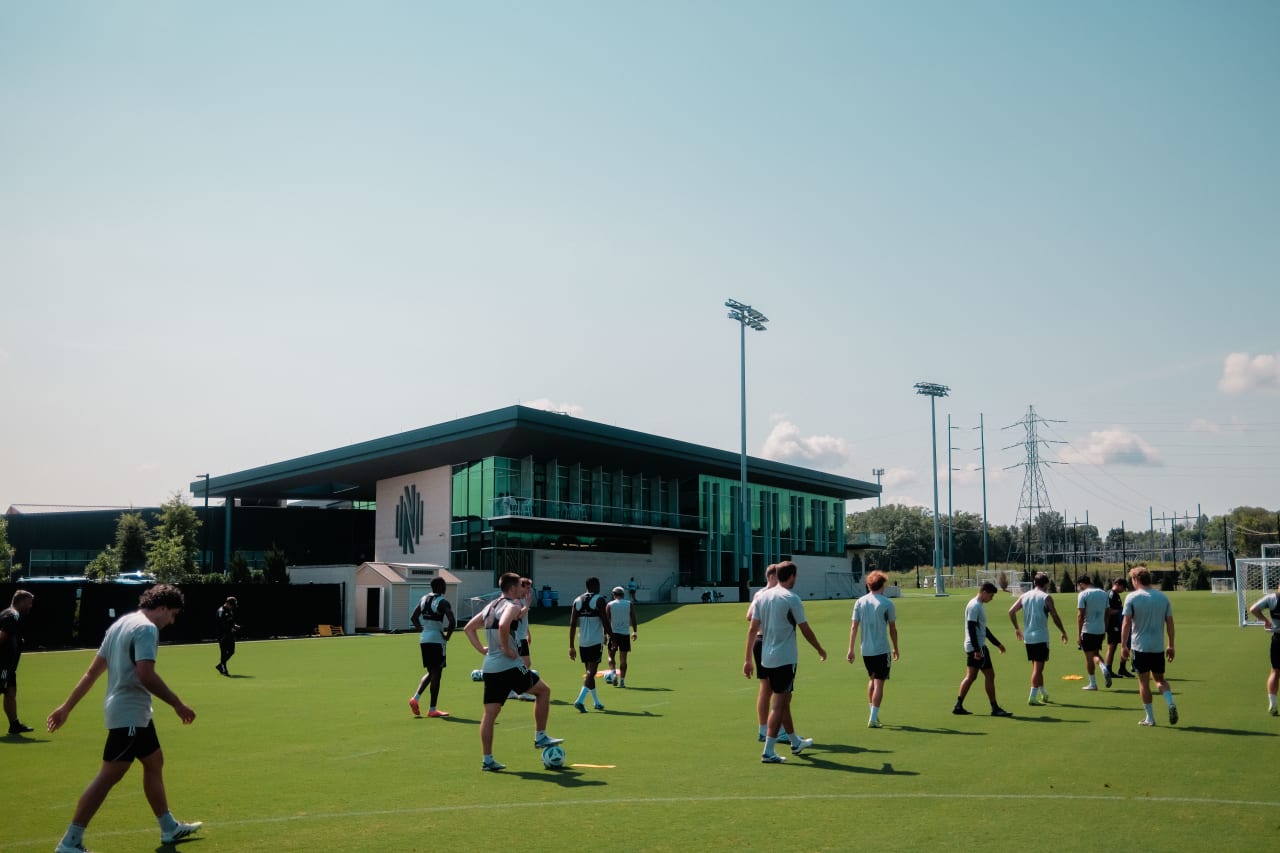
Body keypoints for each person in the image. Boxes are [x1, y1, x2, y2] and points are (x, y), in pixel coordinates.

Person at [46, 584, 202, 853]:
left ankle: (168, 828)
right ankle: (70, 842)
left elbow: (91, 673)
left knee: (154, 762)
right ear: (162, 608)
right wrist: (177, 703)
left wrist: (66, 708)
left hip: (133, 714)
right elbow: (146, 675)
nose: (172, 621)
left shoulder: (121, 624)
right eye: (173, 614)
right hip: (129, 714)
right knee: (109, 775)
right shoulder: (146, 628)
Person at [462, 572, 562, 771]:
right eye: (519, 586)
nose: (522, 590)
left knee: (489, 714)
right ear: (513, 588)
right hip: (510, 666)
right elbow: (504, 624)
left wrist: (483, 649)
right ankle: (540, 736)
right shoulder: (512, 605)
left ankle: (487, 760)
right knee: (544, 691)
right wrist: (507, 650)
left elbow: (468, 628)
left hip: (490, 667)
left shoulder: (490, 606)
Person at [742, 561, 826, 763]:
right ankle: (768, 750)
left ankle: (794, 741)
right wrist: (819, 648)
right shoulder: (791, 598)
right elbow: (805, 629)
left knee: (784, 700)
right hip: (785, 658)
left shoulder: (762, 597)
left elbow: (752, 629)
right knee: (779, 703)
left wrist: (747, 659)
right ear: (792, 576)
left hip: (766, 657)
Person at [1120, 565, 1178, 726]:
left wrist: (1123, 646)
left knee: (1144, 683)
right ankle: (1170, 703)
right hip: (1158, 646)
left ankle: (1150, 718)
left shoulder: (1132, 598)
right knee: (1160, 680)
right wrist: (1171, 645)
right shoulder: (1163, 597)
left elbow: (1125, 623)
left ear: (1136, 580)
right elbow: (1170, 623)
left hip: (1140, 647)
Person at [848, 570, 899, 728]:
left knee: (872, 680)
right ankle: (873, 717)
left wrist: (851, 649)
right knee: (879, 683)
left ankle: (873, 715)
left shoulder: (860, 602)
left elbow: (854, 627)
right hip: (881, 649)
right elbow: (892, 628)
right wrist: (896, 648)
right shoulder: (887, 603)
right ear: (882, 585)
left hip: (866, 650)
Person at [746, 564, 791, 743]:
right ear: (772, 577)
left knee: (769, 688)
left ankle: (767, 729)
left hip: (765, 641)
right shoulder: (764, 594)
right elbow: (749, 616)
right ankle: (771, 729)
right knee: (774, 689)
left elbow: (749, 616)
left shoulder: (761, 594)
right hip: (766, 640)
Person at [953, 582, 1013, 717]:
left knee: (971, 676)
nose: (992, 598)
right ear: (984, 592)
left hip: (975, 646)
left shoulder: (977, 605)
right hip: (977, 646)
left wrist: (997, 643)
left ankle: (958, 705)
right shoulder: (975, 606)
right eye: (991, 596)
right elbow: (971, 627)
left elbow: (983, 628)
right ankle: (995, 708)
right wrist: (977, 649)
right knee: (989, 675)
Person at [1008, 571, 1068, 705]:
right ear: (1046, 584)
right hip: (1041, 637)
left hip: (1028, 637)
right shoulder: (1046, 597)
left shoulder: (1025, 596)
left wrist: (1017, 628)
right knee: (1038, 669)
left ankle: (1043, 693)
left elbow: (1011, 611)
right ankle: (1032, 697)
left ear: (1034, 583)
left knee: (1036, 668)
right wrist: (1063, 631)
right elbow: (1054, 615)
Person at [408, 577, 455, 718]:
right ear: (440, 586)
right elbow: (452, 621)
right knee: (437, 674)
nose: (446, 587)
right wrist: (447, 636)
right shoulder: (442, 602)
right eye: (444, 585)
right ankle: (432, 709)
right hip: (437, 640)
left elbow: (413, 618)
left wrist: (422, 630)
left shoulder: (423, 599)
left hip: (424, 639)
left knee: (431, 672)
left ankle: (415, 698)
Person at [568, 576, 609, 712]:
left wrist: (571, 646)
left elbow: (572, 624)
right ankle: (579, 700)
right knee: (592, 672)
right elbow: (605, 621)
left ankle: (597, 702)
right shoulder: (599, 600)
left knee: (589, 672)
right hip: (595, 641)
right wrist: (612, 637)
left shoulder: (577, 601)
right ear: (596, 585)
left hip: (582, 641)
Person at [1, 589, 35, 734]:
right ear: (20, 602)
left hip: (8, 666)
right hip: (2, 665)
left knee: (10, 692)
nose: (30, 606)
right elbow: (2, 635)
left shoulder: (10, 614)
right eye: (28, 603)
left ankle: (14, 724)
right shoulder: (12, 615)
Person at [1075, 575, 1114, 690]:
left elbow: (1080, 616)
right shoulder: (1103, 593)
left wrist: (1078, 635)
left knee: (1089, 657)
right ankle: (1104, 668)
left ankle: (1093, 683)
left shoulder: (1083, 594)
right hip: (1100, 629)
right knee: (1095, 653)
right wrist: (1104, 630)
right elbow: (1108, 614)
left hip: (1088, 629)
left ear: (1081, 584)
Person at [1247, 583, 1280, 716]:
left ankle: (1273, 704)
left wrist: (1266, 620)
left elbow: (1253, 609)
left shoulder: (1271, 598)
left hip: (1278, 639)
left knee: (1275, 672)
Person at [605, 586, 637, 687]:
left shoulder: (609, 605)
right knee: (623, 659)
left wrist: (604, 635)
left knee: (611, 656)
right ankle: (622, 681)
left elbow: (606, 622)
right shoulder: (629, 604)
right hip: (625, 634)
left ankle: (614, 674)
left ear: (613, 595)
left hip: (613, 634)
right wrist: (635, 631)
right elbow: (633, 619)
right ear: (623, 594)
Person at [1105, 577, 1133, 678]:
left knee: (1124, 645)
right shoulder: (1111, 594)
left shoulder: (1115, 594)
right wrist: (1122, 611)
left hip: (1118, 624)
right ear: (1118, 584)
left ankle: (1122, 668)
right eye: (1123, 587)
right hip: (1113, 625)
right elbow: (1108, 611)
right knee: (1112, 647)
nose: (1124, 590)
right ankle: (1108, 669)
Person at [215, 595, 239, 676]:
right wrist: (230, 629)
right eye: (232, 605)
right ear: (228, 603)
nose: (233, 607)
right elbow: (222, 624)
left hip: (230, 634)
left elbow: (230, 621)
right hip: (223, 635)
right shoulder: (221, 611)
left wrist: (234, 626)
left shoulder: (229, 610)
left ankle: (220, 665)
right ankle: (224, 670)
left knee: (231, 651)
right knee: (224, 653)